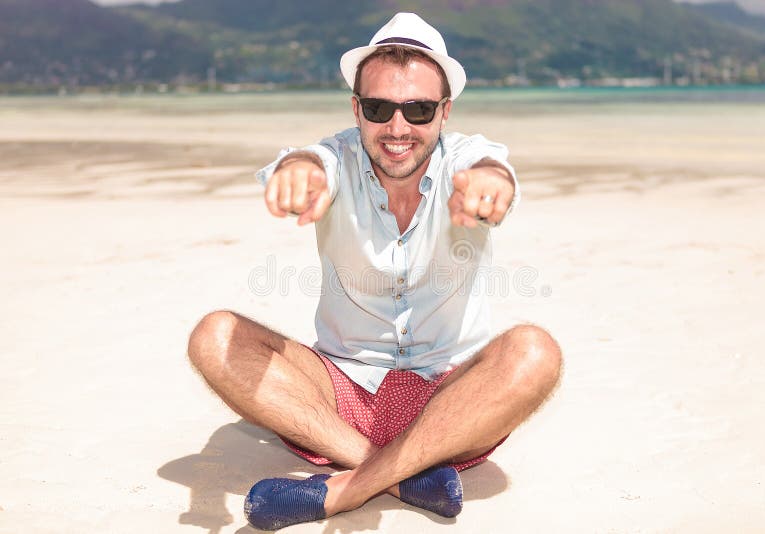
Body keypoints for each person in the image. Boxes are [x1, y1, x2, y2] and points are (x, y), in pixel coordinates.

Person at [187, 12, 562, 531]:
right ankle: (402, 475)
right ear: (356, 110)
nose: (398, 127)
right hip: (340, 393)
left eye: (419, 109)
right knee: (214, 336)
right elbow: (309, 161)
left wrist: (492, 182)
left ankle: (344, 489)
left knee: (536, 352)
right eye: (379, 107)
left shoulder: (467, 160)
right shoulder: (337, 157)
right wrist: (298, 172)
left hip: (450, 400)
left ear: (445, 112)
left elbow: (493, 168)